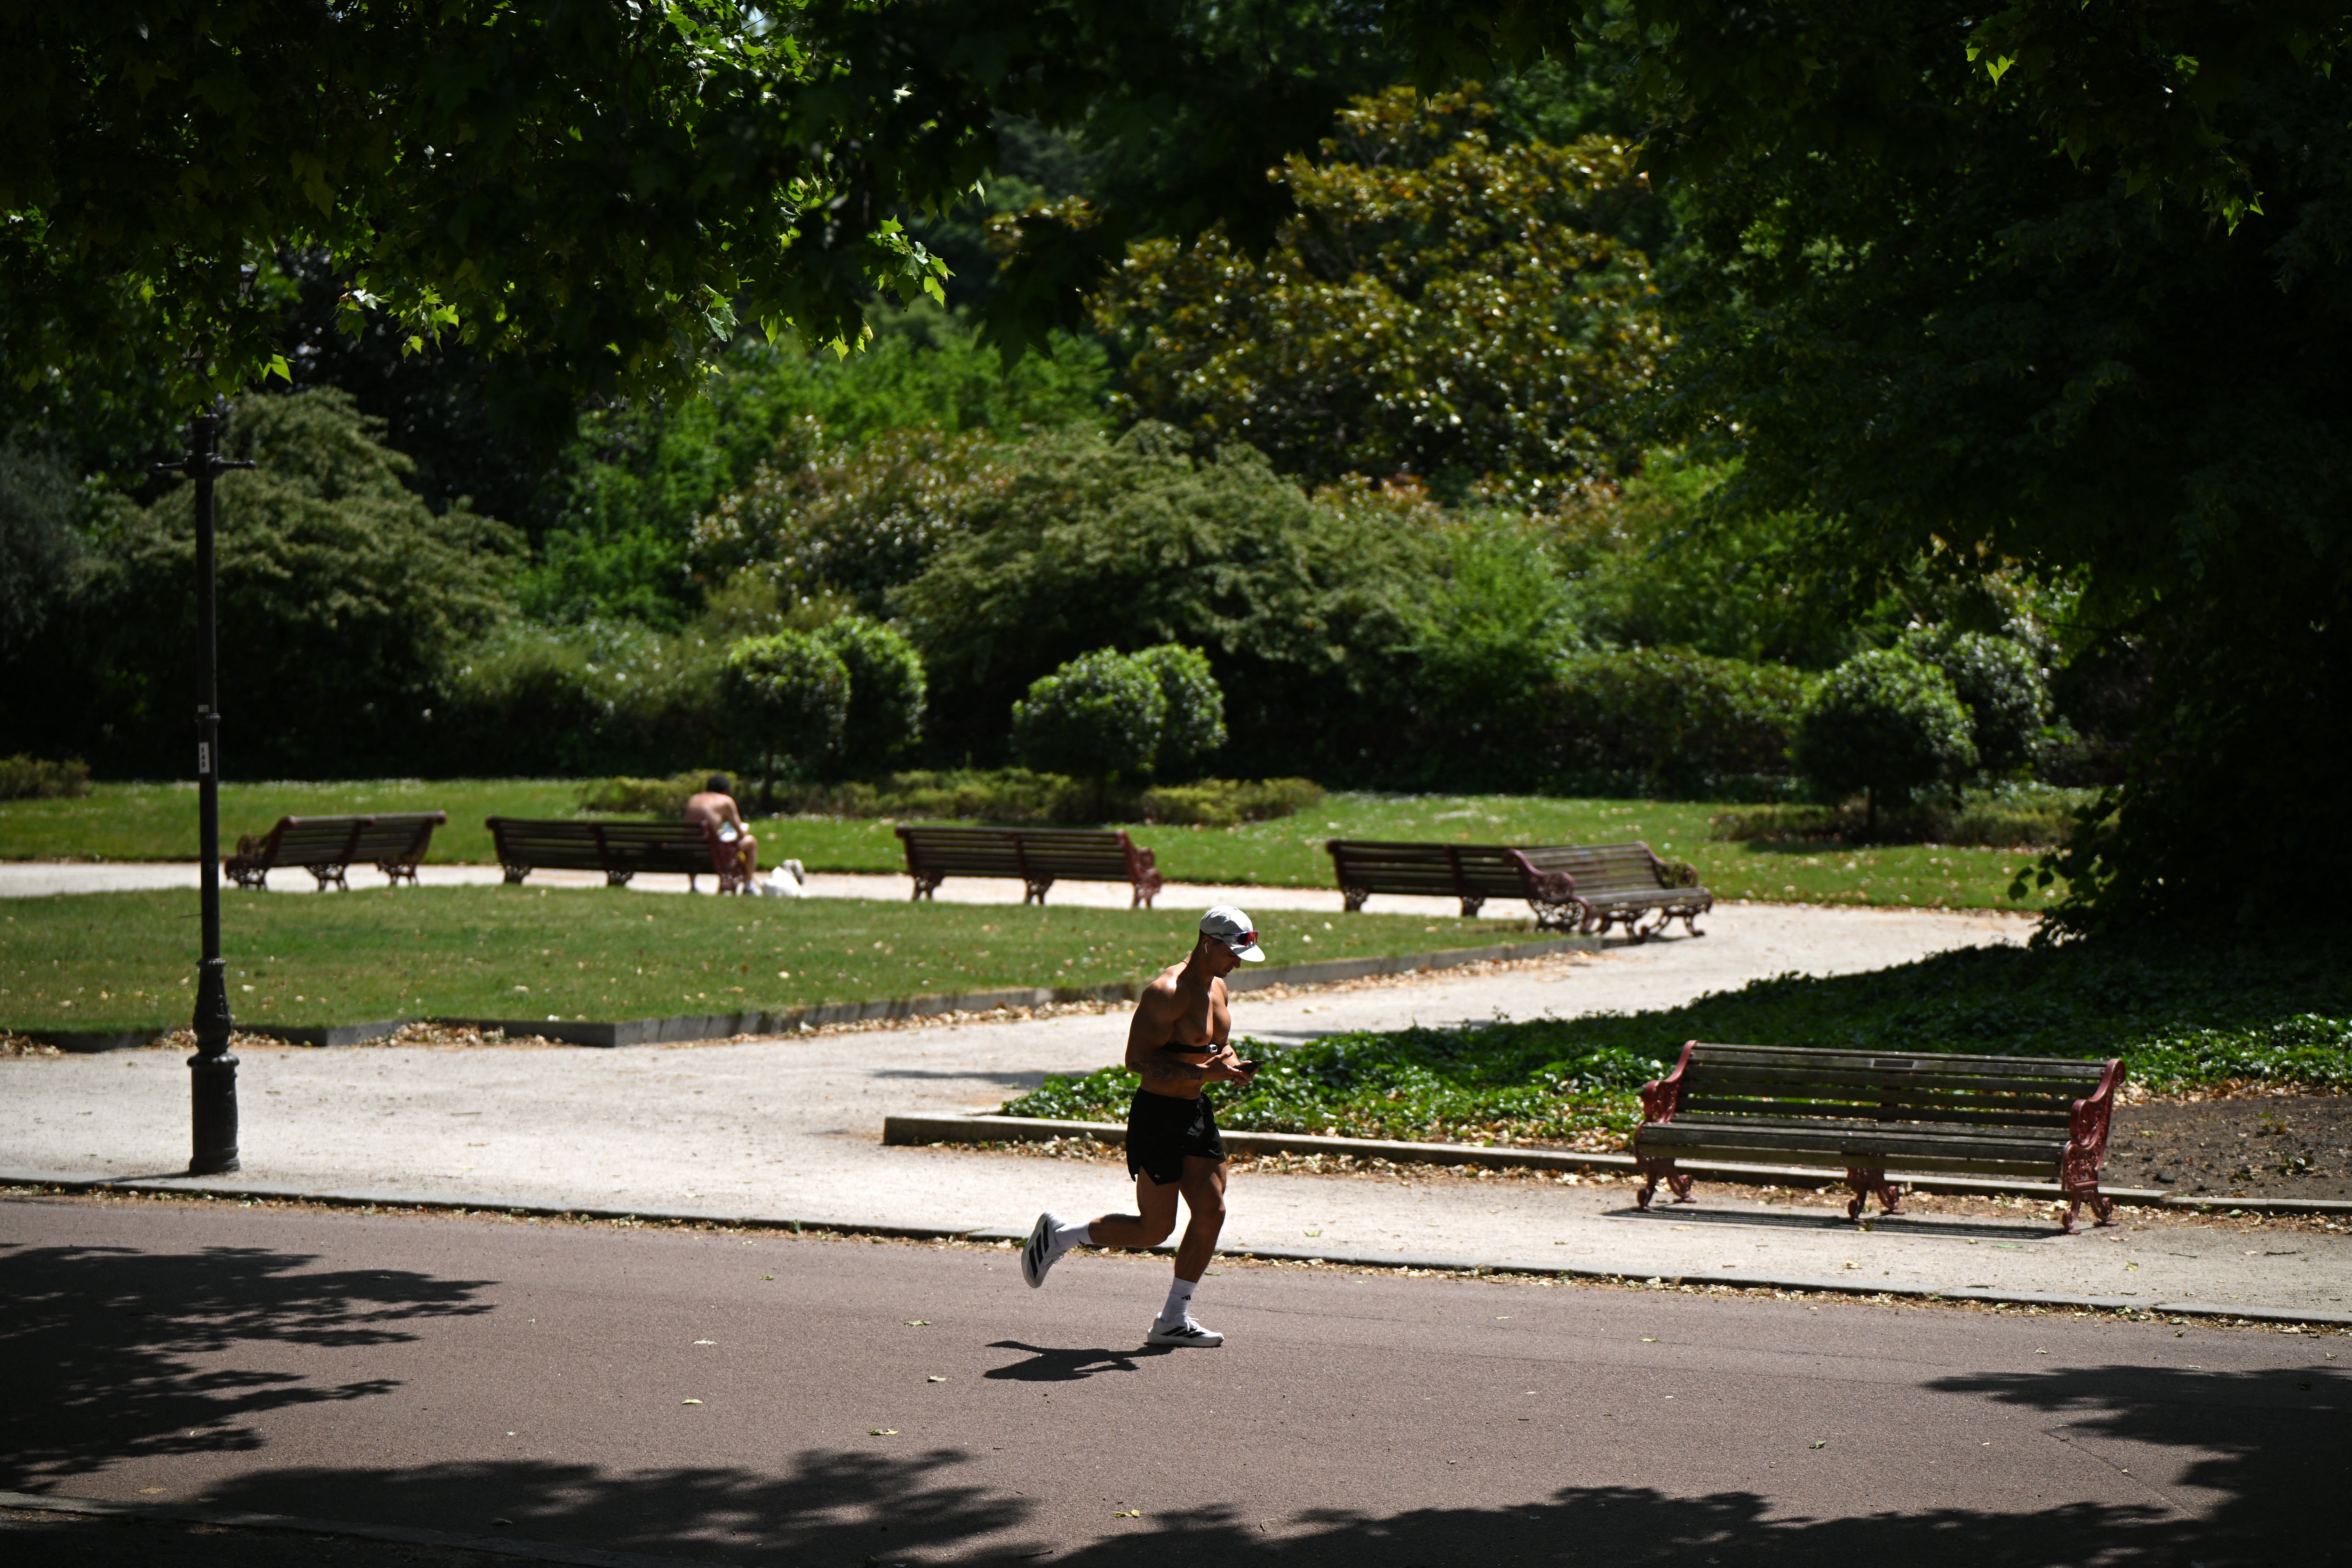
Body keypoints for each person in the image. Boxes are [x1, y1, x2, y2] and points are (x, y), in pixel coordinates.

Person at [1019, 906, 1263, 1346]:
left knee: (1212, 1210)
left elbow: (1217, 1047)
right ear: (1207, 942)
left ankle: (1173, 1317)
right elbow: (1138, 1061)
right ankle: (1062, 1235)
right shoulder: (1165, 992)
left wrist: (1231, 1065)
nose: (1238, 963)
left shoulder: (1219, 987)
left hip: (1195, 1113)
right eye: (1232, 952)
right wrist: (1206, 1074)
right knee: (1155, 1230)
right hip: (1157, 1118)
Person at [683, 774, 763, 893]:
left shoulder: (694, 799)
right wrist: (744, 830)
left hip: (690, 850)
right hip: (714, 853)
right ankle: (748, 887)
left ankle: (694, 886)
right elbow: (741, 833)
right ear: (725, 791)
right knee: (751, 842)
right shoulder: (726, 801)